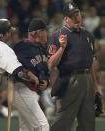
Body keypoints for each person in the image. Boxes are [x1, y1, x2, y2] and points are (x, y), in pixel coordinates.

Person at [48, 2, 96, 131]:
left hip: (87, 80)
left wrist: (95, 89)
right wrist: (62, 48)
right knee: (63, 121)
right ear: (65, 19)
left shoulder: (88, 36)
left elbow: (91, 65)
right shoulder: (57, 35)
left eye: (77, 14)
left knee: (88, 123)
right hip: (70, 79)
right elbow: (51, 64)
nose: (76, 17)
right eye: (72, 15)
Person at [12, 18, 50, 131]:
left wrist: (46, 82)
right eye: (44, 30)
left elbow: (44, 71)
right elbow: (15, 70)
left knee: (26, 129)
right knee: (42, 126)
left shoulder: (43, 49)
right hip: (22, 89)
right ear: (35, 33)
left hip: (33, 92)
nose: (46, 33)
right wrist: (30, 76)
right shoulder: (21, 47)